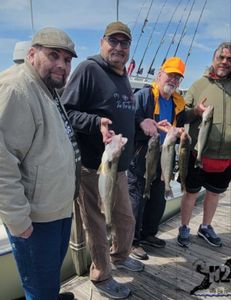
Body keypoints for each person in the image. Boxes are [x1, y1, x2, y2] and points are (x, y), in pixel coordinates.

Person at [61, 21, 144, 299]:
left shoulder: (122, 76)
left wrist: (142, 123)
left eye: (124, 43)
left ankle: (119, 256)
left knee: (125, 219)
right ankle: (101, 275)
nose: (119, 47)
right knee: (96, 224)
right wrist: (96, 123)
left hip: (119, 166)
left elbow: (124, 115)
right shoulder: (88, 70)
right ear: (102, 42)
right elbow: (68, 113)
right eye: (114, 41)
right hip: (92, 168)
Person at [0, 27, 81, 300]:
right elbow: (2, 161)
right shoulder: (16, 88)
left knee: (49, 279)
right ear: (32, 54)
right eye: (54, 55)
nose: (62, 64)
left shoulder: (48, 86)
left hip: (56, 209)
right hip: (35, 219)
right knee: (39, 288)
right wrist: (17, 219)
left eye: (67, 60)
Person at [128, 57, 186, 260]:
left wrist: (179, 132)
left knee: (158, 199)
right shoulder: (143, 96)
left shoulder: (178, 103)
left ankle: (148, 234)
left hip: (165, 157)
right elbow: (129, 121)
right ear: (159, 74)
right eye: (170, 74)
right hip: (142, 155)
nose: (173, 80)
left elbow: (179, 126)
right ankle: (132, 242)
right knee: (136, 200)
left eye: (177, 77)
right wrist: (144, 123)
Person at [177, 41, 231, 248]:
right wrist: (196, 112)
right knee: (191, 192)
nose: (225, 62)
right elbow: (182, 114)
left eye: (229, 59)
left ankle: (206, 227)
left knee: (215, 193)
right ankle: (184, 227)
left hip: (226, 156)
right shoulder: (199, 84)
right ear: (214, 59)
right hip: (198, 153)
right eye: (221, 57)